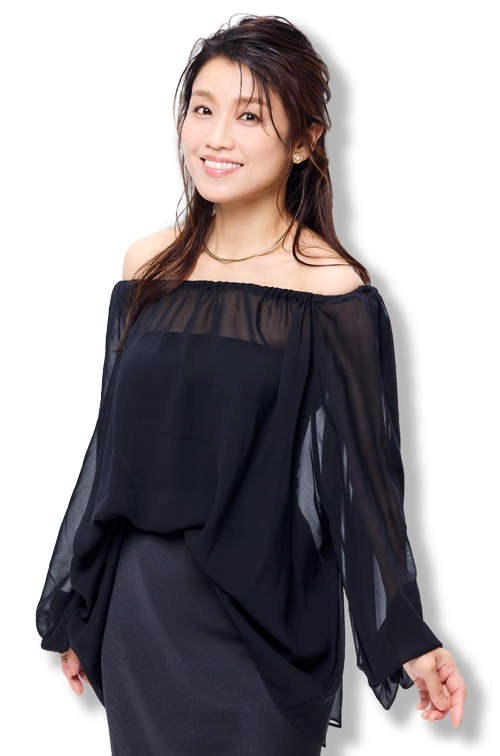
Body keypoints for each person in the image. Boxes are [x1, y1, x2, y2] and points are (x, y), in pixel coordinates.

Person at [35, 11, 467, 755]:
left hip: (266, 630)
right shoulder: (147, 266)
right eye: (202, 110)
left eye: (249, 115)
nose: (216, 137)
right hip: (142, 614)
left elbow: (364, 488)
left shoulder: (333, 291)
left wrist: (410, 637)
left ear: (304, 140)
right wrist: (83, 597)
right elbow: (113, 449)